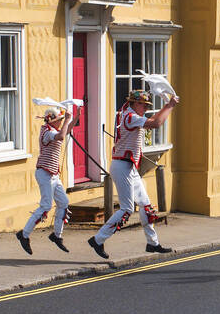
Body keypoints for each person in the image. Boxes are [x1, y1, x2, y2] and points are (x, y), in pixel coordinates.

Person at [89, 89, 178, 258]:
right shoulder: (130, 117)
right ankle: (98, 240)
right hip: (122, 166)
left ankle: (153, 243)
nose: (144, 108)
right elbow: (155, 123)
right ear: (133, 103)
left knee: (145, 204)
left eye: (146, 106)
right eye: (143, 105)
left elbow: (152, 121)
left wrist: (167, 105)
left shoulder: (128, 114)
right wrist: (170, 105)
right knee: (127, 209)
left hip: (128, 166)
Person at [17, 106, 78, 255]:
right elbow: (62, 136)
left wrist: (76, 117)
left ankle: (56, 235)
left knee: (63, 202)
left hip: (53, 174)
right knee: (45, 206)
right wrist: (68, 120)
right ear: (53, 121)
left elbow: (66, 130)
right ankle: (24, 234)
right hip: (45, 173)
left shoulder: (54, 130)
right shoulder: (47, 132)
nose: (61, 123)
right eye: (59, 120)